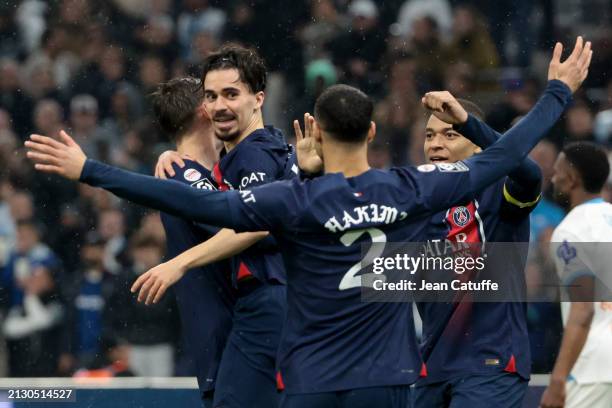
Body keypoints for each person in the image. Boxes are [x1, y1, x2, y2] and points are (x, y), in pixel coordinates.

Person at [26, 37, 590, 408]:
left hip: (321, 380)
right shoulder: (410, 189)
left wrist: (91, 170)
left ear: (315, 131)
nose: (438, 144)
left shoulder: (293, 202)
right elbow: (505, 156)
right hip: (395, 378)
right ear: (373, 134)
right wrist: (557, 92)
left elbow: (206, 207)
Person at [141, 45, 296, 408]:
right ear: (203, 111)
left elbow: (250, 216)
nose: (220, 105)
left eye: (229, 94)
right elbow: (250, 223)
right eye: (211, 96)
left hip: (240, 325)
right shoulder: (184, 172)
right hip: (226, 326)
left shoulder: (228, 163)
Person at [414, 98, 541, 406]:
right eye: (430, 135)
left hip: (489, 364)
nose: (436, 144)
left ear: (478, 149)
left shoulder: (498, 191)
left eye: (451, 134)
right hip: (431, 366)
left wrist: (470, 124)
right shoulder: (418, 200)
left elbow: (530, 175)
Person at [540, 142, 612, 408]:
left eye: (558, 171)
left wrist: (558, 379)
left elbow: (583, 311)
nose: (553, 177)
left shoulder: (570, 231)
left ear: (572, 179)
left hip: (595, 369)